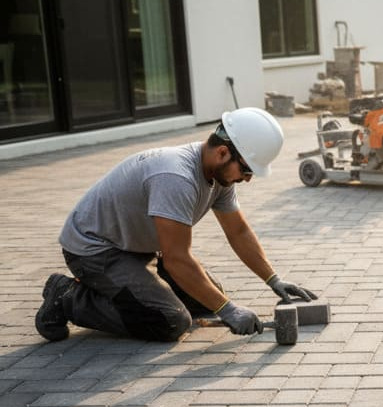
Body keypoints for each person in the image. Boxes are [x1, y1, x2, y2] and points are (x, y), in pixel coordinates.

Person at [35, 107, 317, 342]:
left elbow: (238, 231)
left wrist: (273, 279)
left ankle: (128, 290)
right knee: (170, 320)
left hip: (133, 247)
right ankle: (68, 296)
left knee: (204, 302)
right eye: (246, 170)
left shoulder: (219, 176)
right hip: (94, 250)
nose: (247, 179)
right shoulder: (176, 177)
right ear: (222, 153)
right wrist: (228, 309)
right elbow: (176, 259)